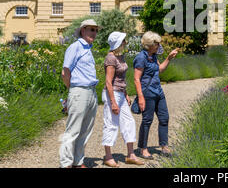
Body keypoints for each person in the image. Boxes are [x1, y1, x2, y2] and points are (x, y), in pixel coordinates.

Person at [59, 19, 100, 168]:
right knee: (73, 130)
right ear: (83, 30)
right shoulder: (75, 47)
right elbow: (65, 72)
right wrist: (72, 90)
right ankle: (66, 164)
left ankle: (78, 161)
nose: (94, 33)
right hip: (79, 90)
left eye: (96, 30)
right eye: (91, 30)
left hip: (91, 91)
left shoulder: (88, 49)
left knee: (86, 130)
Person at [133, 31, 179, 159]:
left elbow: (159, 70)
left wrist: (168, 58)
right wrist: (141, 97)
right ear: (150, 44)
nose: (159, 45)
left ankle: (164, 147)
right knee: (147, 120)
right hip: (147, 92)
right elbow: (136, 79)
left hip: (158, 91)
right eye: (157, 43)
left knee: (164, 118)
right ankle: (143, 149)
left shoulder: (153, 56)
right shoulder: (141, 58)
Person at [102, 31, 144, 167]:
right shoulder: (111, 58)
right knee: (111, 123)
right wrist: (113, 101)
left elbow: (120, 79)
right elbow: (109, 82)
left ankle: (131, 155)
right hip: (112, 94)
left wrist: (125, 93)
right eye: (124, 41)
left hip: (120, 93)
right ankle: (108, 156)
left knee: (129, 122)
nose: (126, 43)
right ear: (118, 43)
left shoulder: (120, 57)